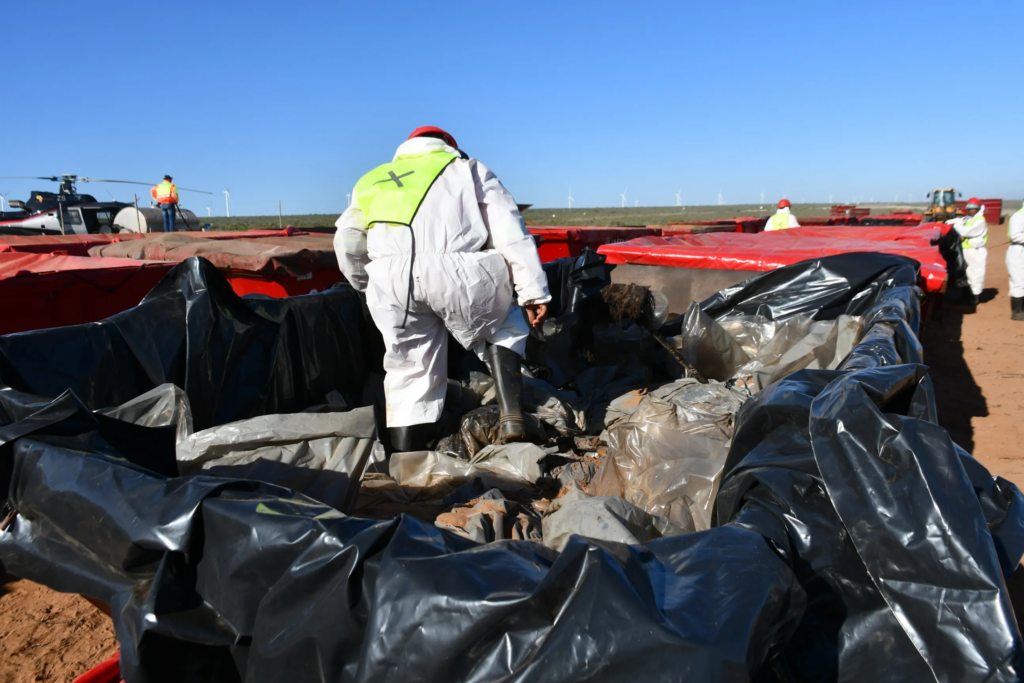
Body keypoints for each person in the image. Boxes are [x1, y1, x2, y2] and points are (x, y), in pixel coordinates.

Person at [334, 126, 551, 452]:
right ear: (449, 146)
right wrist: (533, 291)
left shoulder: (372, 179)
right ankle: (512, 416)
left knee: (409, 371)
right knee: (505, 323)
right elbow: (509, 230)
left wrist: (368, 285)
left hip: (392, 279)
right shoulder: (468, 168)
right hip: (459, 271)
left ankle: (408, 463)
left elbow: (347, 242)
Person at [947, 197, 987, 306]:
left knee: (975, 274)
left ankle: (975, 298)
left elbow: (967, 231)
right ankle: (965, 295)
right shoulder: (968, 218)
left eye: (973, 208)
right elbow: (958, 220)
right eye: (968, 208)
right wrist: (946, 222)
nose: (970, 210)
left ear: (978, 208)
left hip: (976, 251)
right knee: (965, 273)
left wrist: (956, 225)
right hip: (967, 250)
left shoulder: (980, 221)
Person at [1007, 200, 1024, 321]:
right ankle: (1017, 312)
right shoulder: (1019, 216)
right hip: (1018, 251)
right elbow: (1015, 235)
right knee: (1018, 280)